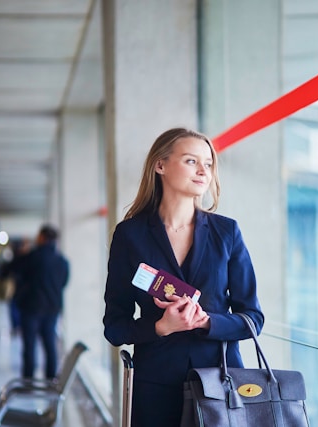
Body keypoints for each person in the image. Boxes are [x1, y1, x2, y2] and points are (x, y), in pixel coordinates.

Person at [103, 127, 264, 426]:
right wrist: (161, 327)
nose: (204, 170)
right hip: (155, 390)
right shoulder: (130, 235)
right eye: (191, 160)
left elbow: (253, 318)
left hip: (220, 386)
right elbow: (115, 327)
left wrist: (206, 322)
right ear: (160, 165)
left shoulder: (227, 232)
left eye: (209, 163)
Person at [12, 225, 69, 379]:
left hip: (31, 307)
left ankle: (28, 379)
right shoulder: (62, 261)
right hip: (52, 308)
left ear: (42, 238)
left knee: (29, 346)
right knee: (50, 344)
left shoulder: (31, 257)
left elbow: (15, 271)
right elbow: (63, 283)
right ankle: (51, 379)